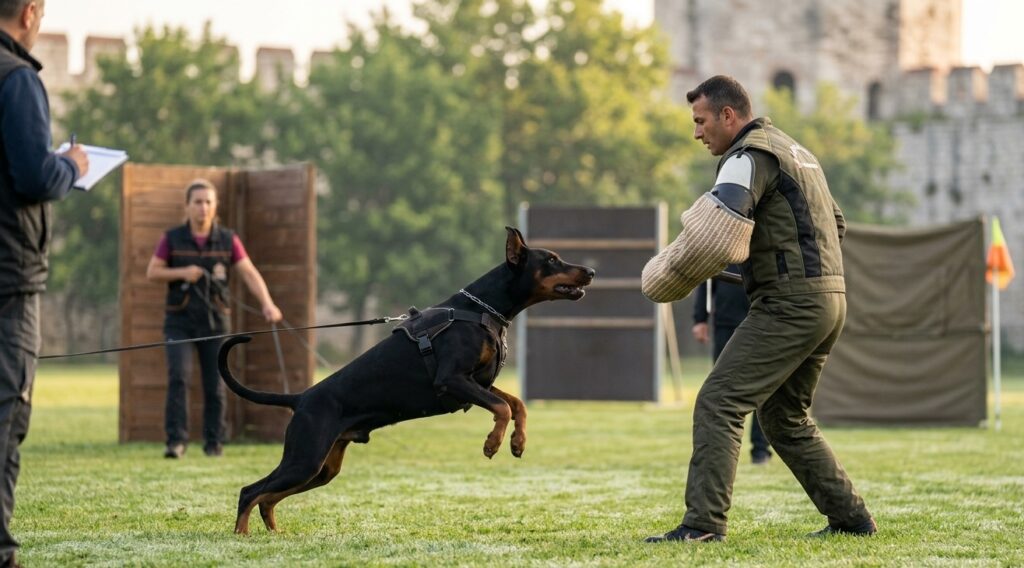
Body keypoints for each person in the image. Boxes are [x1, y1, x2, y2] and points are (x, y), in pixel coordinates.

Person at [641, 75, 874, 542]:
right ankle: (851, 519)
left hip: (789, 304)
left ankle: (703, 526)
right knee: (783, 417)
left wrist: (677, 268)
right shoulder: (797, 153)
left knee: (719, 400)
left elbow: (719, 224)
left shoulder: (746, 158)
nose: (697, 132)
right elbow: (837, 224)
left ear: (729, 116)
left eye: (701, 121)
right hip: (830, 299)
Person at [0, 0, 90, 565]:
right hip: (9, 277)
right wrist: (74, 165)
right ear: (32, 11)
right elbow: (36, 175)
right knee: (7, 414)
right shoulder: (17, 77)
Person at [146, 179, 282, 459]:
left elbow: (249, 273)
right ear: (187, 206)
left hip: (216, 322)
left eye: (208, 202)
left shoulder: (228, 239)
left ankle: (214, 443)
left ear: (215, 206)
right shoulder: (171, 238)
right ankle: (176, 442)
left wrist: (267, 304)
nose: (203, 207)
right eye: (197, 202)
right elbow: (153, 272)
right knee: (179, 378)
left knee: (216, 383)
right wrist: (183, 273)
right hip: (179, 321)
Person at [692, 264, 772, 465]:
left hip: (761, 322)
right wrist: (700, 319)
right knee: (721, 390)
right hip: (725, 325)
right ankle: (719, 452)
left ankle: (760, 451)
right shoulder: (722, 243)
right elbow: (706, 281)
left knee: (761, 388)